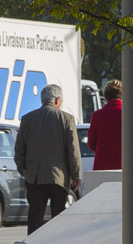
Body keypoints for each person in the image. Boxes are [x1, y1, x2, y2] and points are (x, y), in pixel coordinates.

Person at [14, 84, 82, 234]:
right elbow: (73, 150)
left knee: (35, 217)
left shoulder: (27, 119)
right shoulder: (66, 119)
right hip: (59, 178)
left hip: (35, 178)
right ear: (57, 100)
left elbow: (19, 150)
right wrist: (76, 175)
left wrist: (25, 171)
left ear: (42, 100)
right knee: (58, 216)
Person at [88, 80, 133, 171]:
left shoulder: (97, 116)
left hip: (103, 168)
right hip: (129, 169)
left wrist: (106, 150)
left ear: (105, 96)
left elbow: (91, 143)